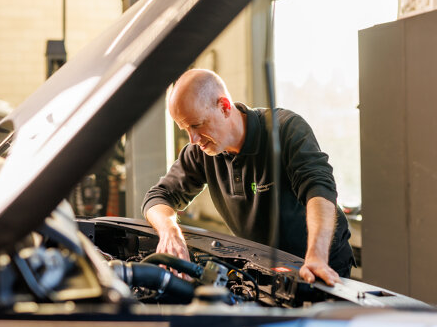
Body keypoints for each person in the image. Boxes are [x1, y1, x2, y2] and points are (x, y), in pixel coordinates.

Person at [142, 69, 354, 285]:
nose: (193, 138)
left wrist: (317, 256)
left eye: (196, 125)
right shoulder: (200, 152)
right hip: (261, 266)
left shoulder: (286, 130)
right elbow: (158, 196)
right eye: (185, 129)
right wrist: (170, 231)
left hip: (318, 264)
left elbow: (320, 189)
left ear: (224, 107)